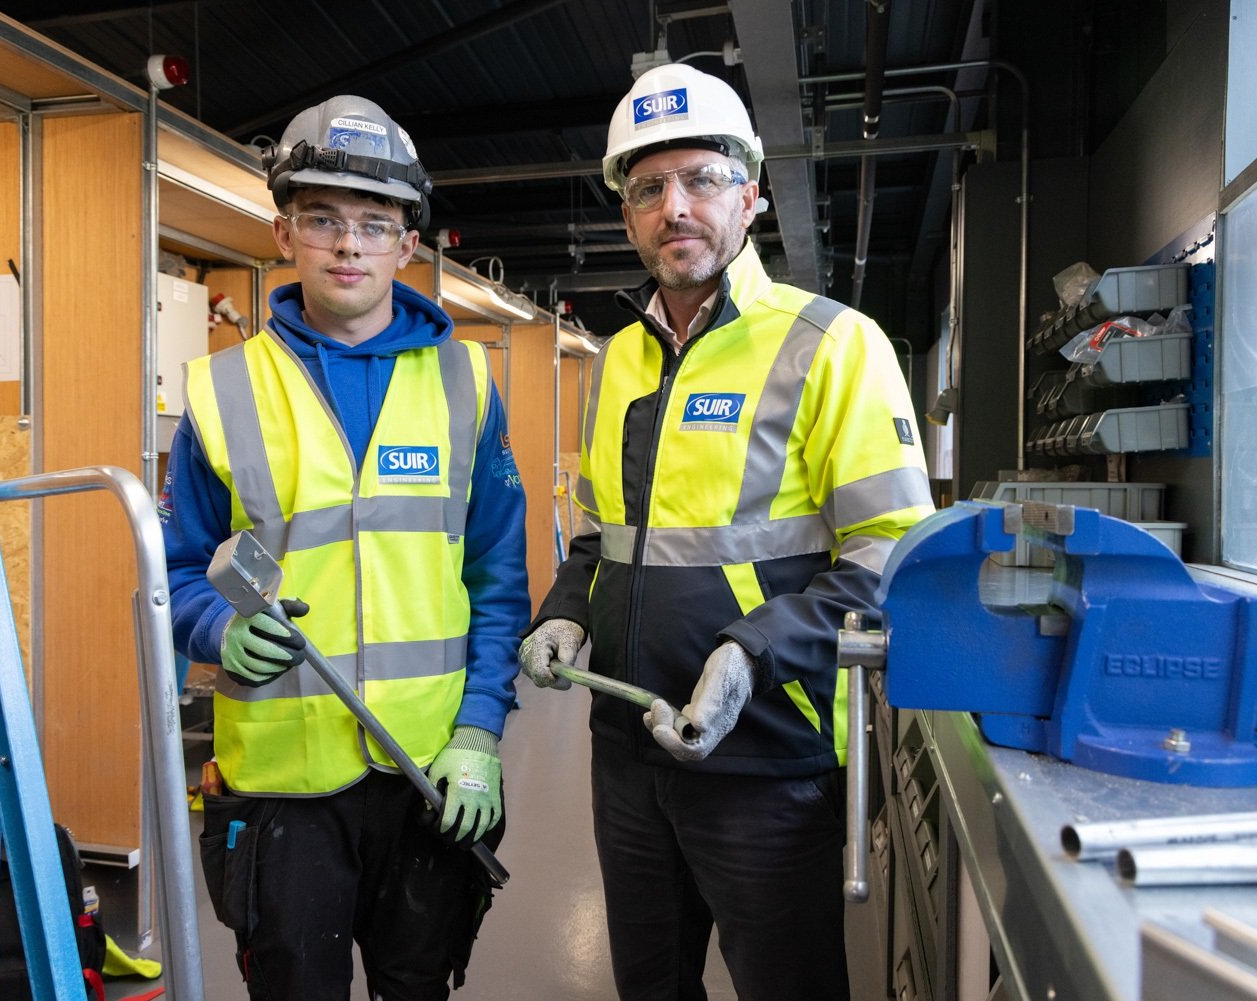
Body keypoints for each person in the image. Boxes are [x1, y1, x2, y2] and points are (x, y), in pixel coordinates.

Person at [518, 64, 934, 1001]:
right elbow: (601, 537)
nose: (676, 207)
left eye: (701, 179)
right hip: (627, 748)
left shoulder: (830, 343)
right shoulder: (616, 359)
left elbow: (893, 553)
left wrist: (753, 651)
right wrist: (563, 612)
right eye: (649, 187)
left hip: (768, 761)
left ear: (748, 195)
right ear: (626, 213)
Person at [158, 94, 529, 1001]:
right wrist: (212, 628)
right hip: (283, 782)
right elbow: (174, 567)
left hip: (427, 770)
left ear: (410, 245)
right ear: (285, 232)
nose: (348, 245)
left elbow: (498, 578)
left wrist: (481, 726)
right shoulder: (223, 389)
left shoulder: (465, 385)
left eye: (375, 223)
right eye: (323, 219)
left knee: (416, 985)